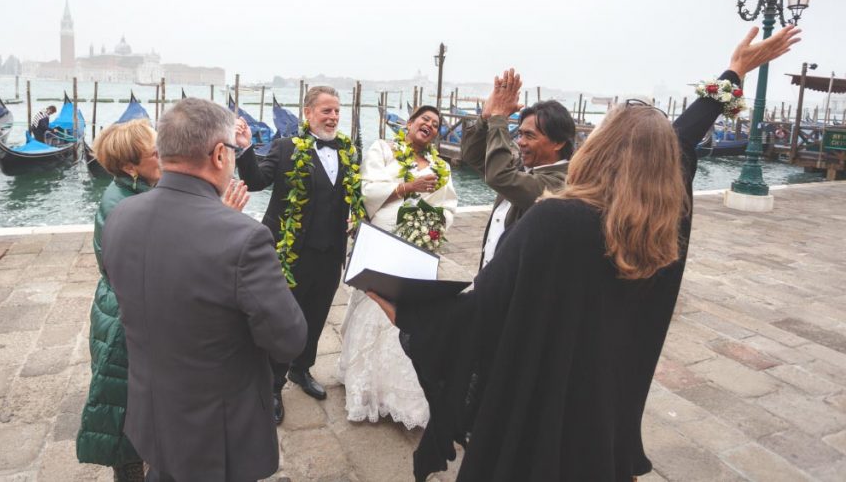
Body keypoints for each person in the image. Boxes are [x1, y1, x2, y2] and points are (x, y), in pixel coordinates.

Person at [369, 24, 802, 481]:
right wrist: (733, 74)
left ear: (602, 148)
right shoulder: (660, 231)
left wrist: (407, 311)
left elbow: (474, 316)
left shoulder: (557, 220)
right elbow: (680, 140)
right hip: (606, 417)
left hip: (541, 419)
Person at [102, 99, 304, 482]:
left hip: (153, 414)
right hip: (218, 433)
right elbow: (289, 338)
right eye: (231, 151)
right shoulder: (244, 238)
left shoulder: (120, 216)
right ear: (218, 155)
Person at [76, 118, 250, 481]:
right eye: (156, 153)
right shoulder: (120, 206)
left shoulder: (140, 193)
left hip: (133, 316)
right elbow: (169, 268)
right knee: (128, 421)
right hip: (124, 328)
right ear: (129, 167)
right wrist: (224, 223)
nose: (166, 156)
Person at [235, 85, 365, 424]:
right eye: (326, 111)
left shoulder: (348, 152)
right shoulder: (285, 147)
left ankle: (301, 370)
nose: (333, 117)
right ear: (307, 113)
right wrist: (246, 147)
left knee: (316, 315)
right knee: (284, 320)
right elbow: (255, 180)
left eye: (337, 111)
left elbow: (352, 197)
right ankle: (273, 384)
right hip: (290, 254)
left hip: (330, 253)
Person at [338, 105, 458, 428]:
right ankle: (365, 388)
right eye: (424, 120)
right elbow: (368, 189)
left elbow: (448, 205)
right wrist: (408, 187)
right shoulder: (384, 149)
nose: (429, 126)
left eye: (435, 124)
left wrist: (433, 228)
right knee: (374, 306)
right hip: (382, 240)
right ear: (410, 123)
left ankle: (401, 394)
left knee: (407, 314)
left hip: (416, 247)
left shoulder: (440, 166)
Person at [461, 70, 575, 268]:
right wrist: (485, 118)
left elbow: (500, 176)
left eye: (529, 136)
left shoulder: (560, 184)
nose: (520, 142)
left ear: (558, 143)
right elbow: (471, 155)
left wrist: (499, 118)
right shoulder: (523, 169)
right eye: (519, 134)